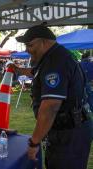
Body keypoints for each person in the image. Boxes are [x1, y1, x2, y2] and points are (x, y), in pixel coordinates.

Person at [9, 25, 92, 169]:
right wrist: (17, 69)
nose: (27, 49)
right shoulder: (52, 57)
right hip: (68, 130)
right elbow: (35, 72)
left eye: (30, 44)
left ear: (44, 42)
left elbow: (50, 107)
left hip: (68, 133)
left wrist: (34, 142)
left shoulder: (55, 61)